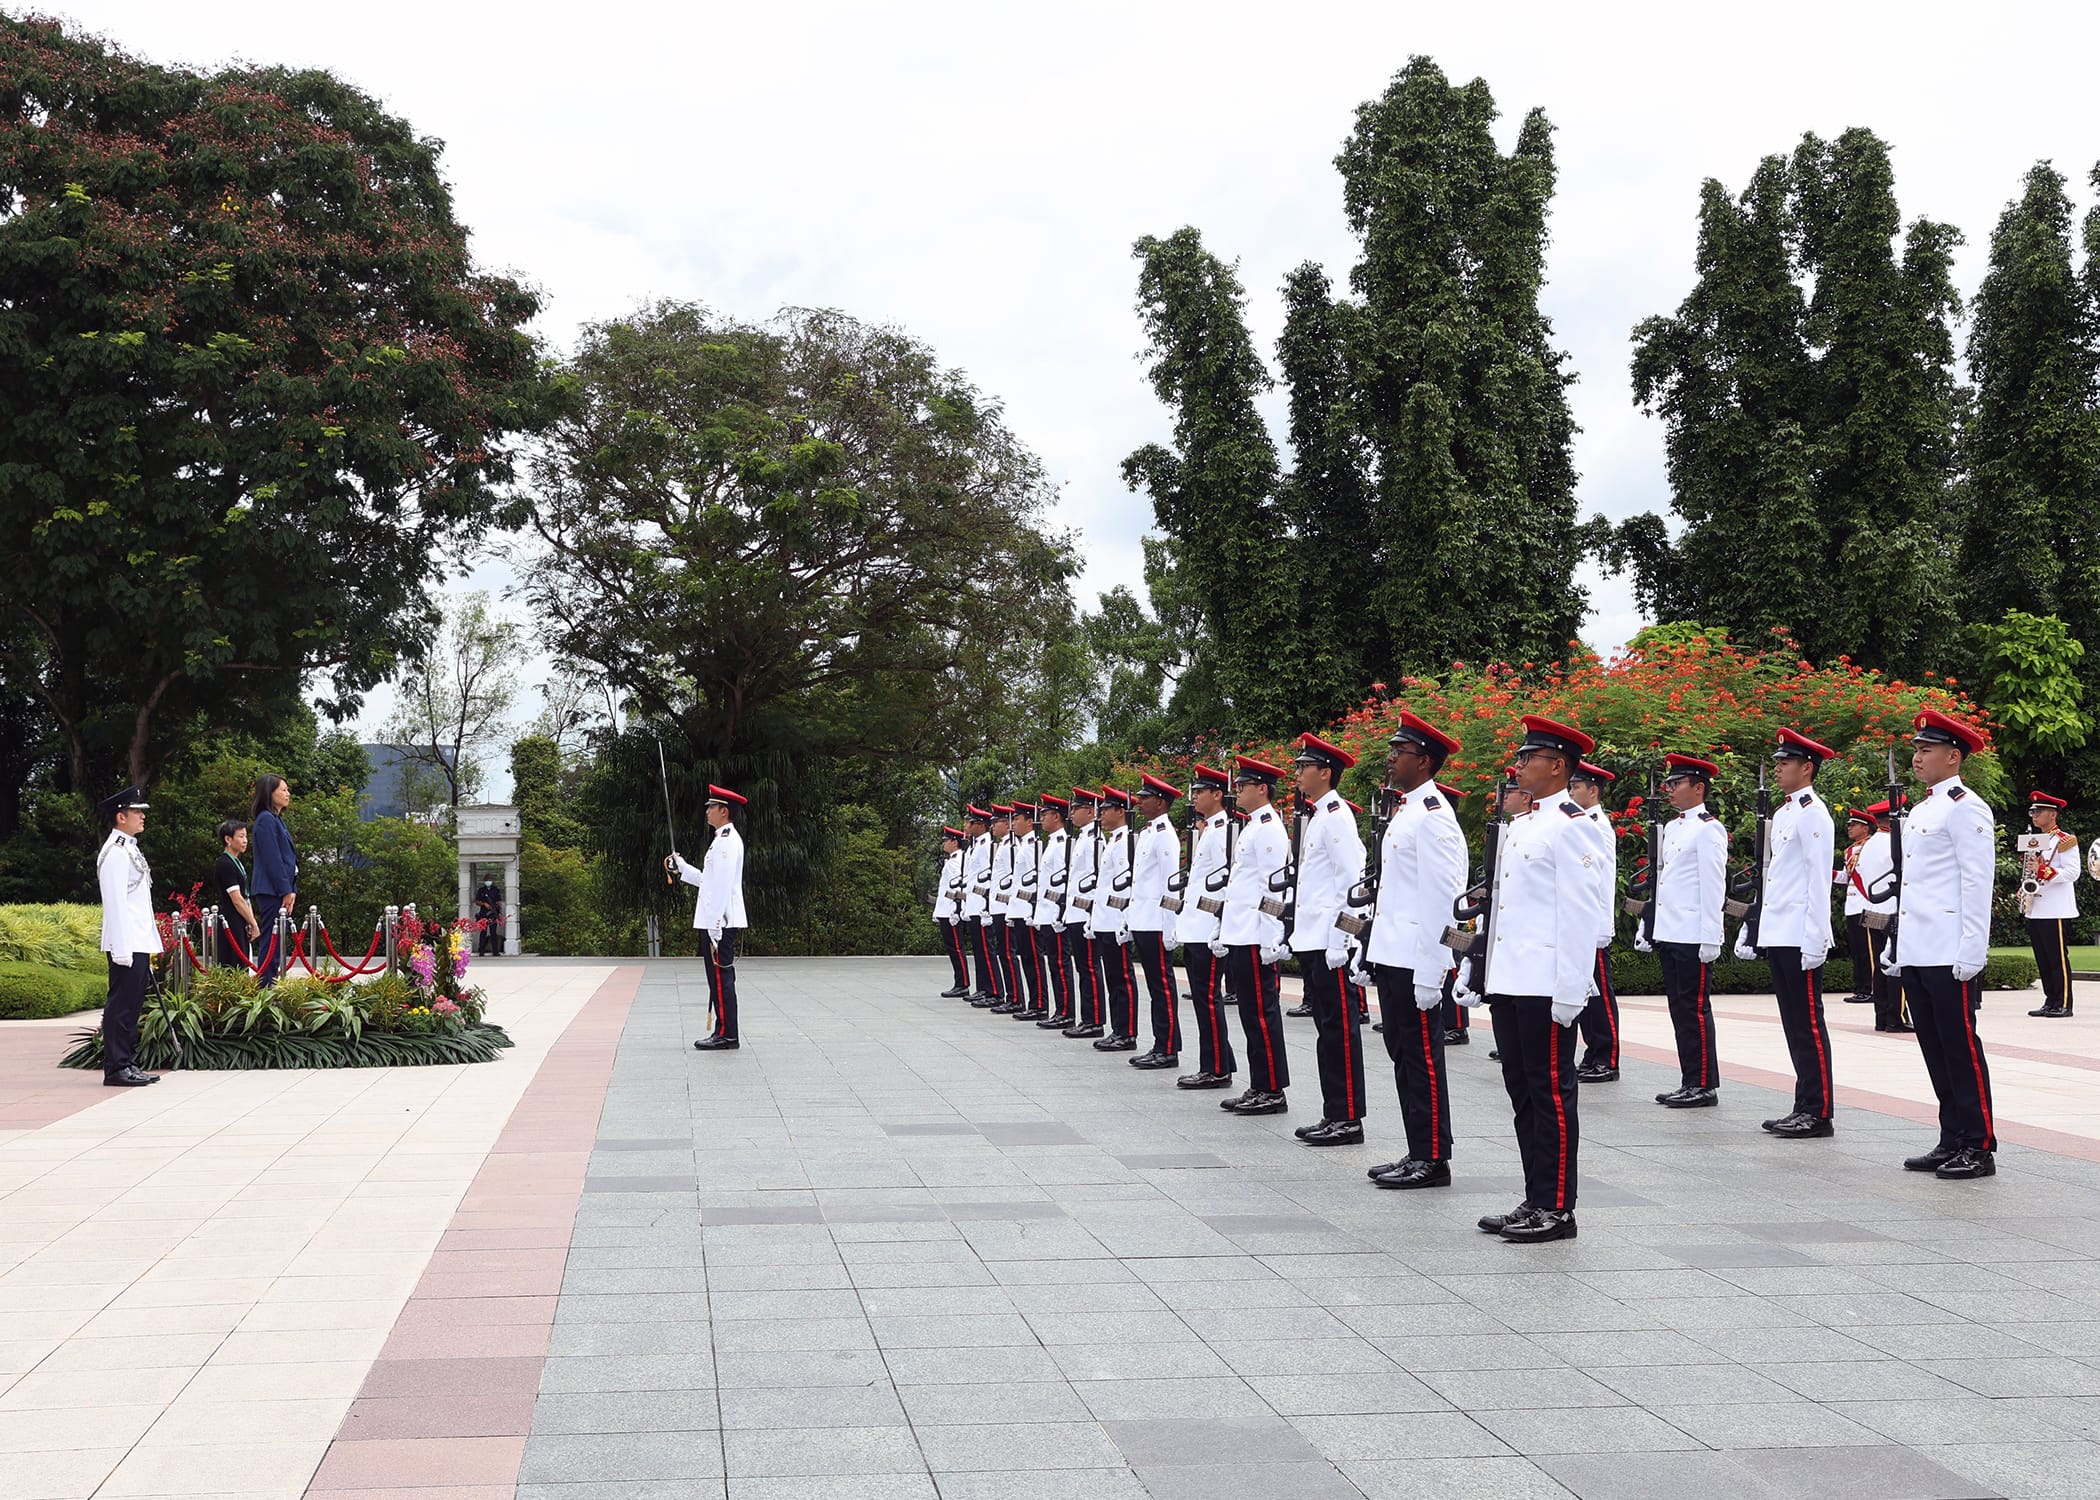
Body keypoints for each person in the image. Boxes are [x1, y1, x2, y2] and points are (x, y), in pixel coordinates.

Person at [1466, 716, 1611, 1244]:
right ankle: (1535, 1196)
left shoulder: (1572, 826)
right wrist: (1478, 967)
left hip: (1547, 984)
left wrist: (1574, 988)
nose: (1519, 764)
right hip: (1511, 979)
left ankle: (1557, 1208)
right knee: (1523, 1092)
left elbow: (1580, 913)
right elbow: (1503, 908)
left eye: (1529, 757)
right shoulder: (1524, 824)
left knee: (1551, 1093)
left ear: (1557, 765)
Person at [1364, 711, 1467, 1189]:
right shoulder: (1407, 809)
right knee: (1403, 1054)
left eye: (1398, 752)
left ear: (1423, 761)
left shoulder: (1434, 817)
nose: (1390, 758)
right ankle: (1415, 1149)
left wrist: (1433, 969)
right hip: (1393, 954)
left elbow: (1443, 901)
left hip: (1415, 959)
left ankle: (1432, 1156)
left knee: (1423, 1057)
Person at [1894, 709, 1998, 1179]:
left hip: (1949, 948)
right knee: (1933, 1045)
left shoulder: (1966, 807)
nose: (1917, 757)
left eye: (1926, 750)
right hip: (1919, 946)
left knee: (1959, 1046)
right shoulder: (1920, 809)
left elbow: (1977, 882)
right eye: (1916, 749)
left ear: (1954, 757)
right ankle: (1951, 1136)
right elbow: (1913, 885)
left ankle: (1978, 1145)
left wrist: (1973, 949)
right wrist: (1898, 943)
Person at [1734, 729, 1839, 1139]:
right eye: (1777, 762)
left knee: (1808, 1023)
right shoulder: (1784, 813)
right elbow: (1775, 877)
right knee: (1794, 1023)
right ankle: (1803, 1103)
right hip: (1781, 931)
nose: (1777, 768)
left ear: (1806, 768)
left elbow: (1817, 881)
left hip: (1800, 933)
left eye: (1785, 762)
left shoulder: (1814, 813)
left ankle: (1819, 1111)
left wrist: (1817, 937)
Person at [1288, 733, 1369, 1147]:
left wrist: (1342, 938)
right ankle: (1333, 1111)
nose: (1298, 773)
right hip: (1314, 938)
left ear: (1325, 772)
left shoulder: (1335, 815)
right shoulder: (1319, 814)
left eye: (1305, 767)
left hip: (1329, 941)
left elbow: (1350, 878)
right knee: (1326, 1028)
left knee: (1339, 1029)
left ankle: (1348, 1117)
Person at [1638, 753, 1726, 1108]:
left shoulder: (1709, 829)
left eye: (1677, 784)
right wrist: (1651, 924)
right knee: (1678, 1009)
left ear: (1698, 788)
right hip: (1671, 931)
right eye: (1669, 784)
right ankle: (1690, 1078)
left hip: (1692, 934)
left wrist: (1711, 936)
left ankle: (1703, 1084)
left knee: (1693, 1009)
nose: (1670, 789)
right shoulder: (1672, 828)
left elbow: (1712, 885)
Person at [1220, 756, 1291, 1116]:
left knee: (1262, 1013)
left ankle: (1272, 1089)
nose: (1238, 791)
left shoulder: (1269, 828)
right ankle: (1260, 1083)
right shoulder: (1252, 826)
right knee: (1250, 1013)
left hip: (1254, 933)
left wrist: (1270, 938)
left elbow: (1272, 887)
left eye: (1243, 786)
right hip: (1241, 931)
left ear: (1262, 788)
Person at [671, 784, 749, 1050]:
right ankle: (723, 1030)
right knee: (717, 979)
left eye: (711, 807)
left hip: (720, 922)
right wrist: (683, 868)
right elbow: (709, 882)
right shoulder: (721, 839)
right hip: (717, 920)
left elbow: (723, 885)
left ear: (723, 811)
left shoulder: (726, 842)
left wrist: (716, 925)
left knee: (720, 979)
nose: (707, 812)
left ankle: (727, 1034)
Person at [96, 785, 162, 1087]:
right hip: (125, 942)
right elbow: (116, 905)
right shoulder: (115, 854)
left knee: (131, 1005)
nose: (142, 817)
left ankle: (127, 1062)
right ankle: (116, 1067)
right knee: (121, 1006)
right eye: (137, 812)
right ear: (121, 817)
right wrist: (122, 948)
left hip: (136, 940)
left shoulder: (129, 849)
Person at [1176, 766, 1237, 1090]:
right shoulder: (1210, 830)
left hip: (1209, 929)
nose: (1195, 796)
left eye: (1201, 791)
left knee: (1208, 997)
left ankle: (1215, 1069)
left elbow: (1227, 883)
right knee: (1202, 997)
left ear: (1217, 794)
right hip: (1196, 926)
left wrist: (1219, 926)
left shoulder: (1225, 830)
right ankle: (1219, 1062)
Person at [1127, 773, 1185, 1071]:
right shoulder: (1149, 832)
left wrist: (1169, 925)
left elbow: (1169, 884)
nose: (1139, 801)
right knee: (1154, 986)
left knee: (1162, 986)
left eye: (1145, 797)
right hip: (1143, 918)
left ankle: (1168, 1047)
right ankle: (1160, 1043)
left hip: (1156, 922)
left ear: (1160, 802)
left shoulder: (1165, 835)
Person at [1568, 763, 1622, 1083]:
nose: (1571, 791)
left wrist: (1601, 926)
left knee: (1600, 994)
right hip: (1583, 923)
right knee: (1587, 995)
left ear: (1593, 790)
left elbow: (1601, 879)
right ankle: (1593, 1052)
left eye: (1576, 787)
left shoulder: (1597, 825)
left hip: (1594, 924)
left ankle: (1607, 1057)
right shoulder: (1581, 823)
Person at [1092, 786, 1139, 1051]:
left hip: (1116, 920)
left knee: (1122, 978)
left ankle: (1127, 1032)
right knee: (1113, 979)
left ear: (1120, 811)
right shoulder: (1114, 840)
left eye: (1105, 810)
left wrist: (1125, 920)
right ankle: (1118, 1029)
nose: (1100, 815)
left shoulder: (1125, 843)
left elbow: (1126, 885)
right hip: (1105, 919)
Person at [2024, 791, 2079, 1018]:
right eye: (2033, 811)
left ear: (2053, 815)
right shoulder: (2035, 841)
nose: (2034, 815)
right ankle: (2050, 1000)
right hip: (2036, 907)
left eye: (2039, 811)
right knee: (2043, 959)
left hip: (2056, 907)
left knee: (2057, 958)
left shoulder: (2065, 841)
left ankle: (2064, 1002)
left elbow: (2073, 872)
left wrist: (2045, 871)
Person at [1858, 801, 1911, 1033]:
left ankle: (1881, 1017)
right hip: (1892, 912)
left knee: (1879, 968)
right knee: (1896, 967)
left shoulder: (1868, 845)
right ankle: (1896, 1018)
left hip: (1873, 910)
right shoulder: (1894, 843)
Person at [1062, 789, 1108, 1039]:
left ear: (1090, 811)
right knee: (1083, 968)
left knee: (1090, 968)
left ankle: (1095, 1020)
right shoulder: (1082, 838)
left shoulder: (1096, 840)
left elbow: (1098, 877)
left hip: (1086, 912)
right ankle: (1087, 1017)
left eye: (1075, 809)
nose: (1071, 813)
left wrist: (1092, 914)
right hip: (1075, 912)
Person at [249, 774, 297, 984]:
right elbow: (273, 859)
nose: (287, 794)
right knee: (271, 939)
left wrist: (291, 889)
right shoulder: (266, 819)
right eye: (283, 790)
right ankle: (266, 984)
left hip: (279, 889)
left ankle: (271, 980)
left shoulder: (276, 819)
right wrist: (286, 889)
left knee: (277, 939)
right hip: (271, 890)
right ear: (270, 793)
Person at [1034, 796, 1076, 1028]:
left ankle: (1066, 1012)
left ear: (1056, 816)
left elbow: (1063, 882)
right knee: (1054, 963)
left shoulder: (1062, 845)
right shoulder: (1053, 842)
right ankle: (1061, 1009)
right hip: (1048, 912)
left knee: (1061, 963)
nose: (1042, 819)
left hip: (1055, 913)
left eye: (1045, 814)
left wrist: (1060, 912)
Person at [1005, 801, 1046, 1020]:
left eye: (1018, 819)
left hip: (1028, 909)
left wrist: (1033, 911)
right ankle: (1033, 1001)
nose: (1014, 824)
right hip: (1020, 909)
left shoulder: (1034, 846)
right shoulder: (1023, 845)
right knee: (1026, 957)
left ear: (1030, 822)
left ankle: (1039, 1004)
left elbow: (1037, 882)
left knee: (1033, 958)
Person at [961, 806, 1002, 1005]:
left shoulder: (987, 846)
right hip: (974, 903)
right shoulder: (976, 845)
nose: (965, 826)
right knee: (978, 949)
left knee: (987, 949)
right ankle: (983, 987)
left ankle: (993, 990)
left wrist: (986, 906)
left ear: (980, 825)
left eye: (969, 823)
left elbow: (988, 878)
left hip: (983, 904)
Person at [1840, 808, 1878, 1004]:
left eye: (1853, 825)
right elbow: (1846, 878)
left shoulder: (1872, 846)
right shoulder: (1849, 850)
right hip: (1853, 905)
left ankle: (1872, 989)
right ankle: (1861, 988)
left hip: (1866, 903)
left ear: (1865, 827)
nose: (1849, 828)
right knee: (1857, 949)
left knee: (1868, 950)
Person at [213, 818, 259, 969]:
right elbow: (237, 899)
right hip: (230, 919)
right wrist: (253, 923)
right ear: (228, 839)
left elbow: (244, 897)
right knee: (234, 963)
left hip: (240, 919)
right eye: (240, 836)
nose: (245, 840)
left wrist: (250, 919)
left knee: (244, 959)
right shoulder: (225, 864)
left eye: (246, 836)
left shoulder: (236, 862)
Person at [935, 826, 971, 997]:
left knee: (957, 948)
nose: (944, 844)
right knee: (953, 948)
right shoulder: (953, 859)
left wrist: (956, 910)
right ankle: (960, 981)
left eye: (946, 841)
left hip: (951, 912)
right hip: (946, 910)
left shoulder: (957, 861)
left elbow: (960, 889)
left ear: (954, 842)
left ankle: (963, 983)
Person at [474, 875, 504, 957]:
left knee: (493, 933)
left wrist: (500, 913)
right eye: (487, 880)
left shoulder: (495, 890)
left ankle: (495, 951)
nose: (488, 881)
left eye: (489, 880)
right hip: (483, 914)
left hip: (493, 914)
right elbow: (476, 901)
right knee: (483, 933)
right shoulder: (481, 890)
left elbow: (499, 902)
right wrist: (484, 904)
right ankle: (481, 951)